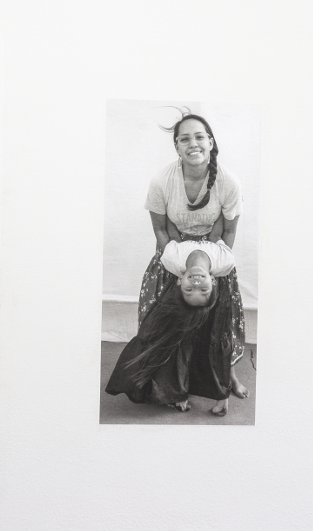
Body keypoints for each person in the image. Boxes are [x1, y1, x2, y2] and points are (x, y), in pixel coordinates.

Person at [105, 113, 247, 415]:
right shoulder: (161, 181)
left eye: (199, 136)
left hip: (214, 256)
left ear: (210, 142)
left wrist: (215, 269)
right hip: (171, 254)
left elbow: (229, 230)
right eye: (184, 139)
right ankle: (173, 386)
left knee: (220, 324)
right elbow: (159, 229)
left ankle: (228, 376)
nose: (192, 143)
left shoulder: (229, 182)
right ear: (177, 147)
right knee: (169, 327)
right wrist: (174, 262)